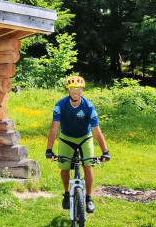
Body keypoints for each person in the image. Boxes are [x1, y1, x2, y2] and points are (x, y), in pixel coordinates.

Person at [45, 75, 110, 213]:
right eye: (73, 89)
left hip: (85, 138)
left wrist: (105, 151)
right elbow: (54, 128)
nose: (76, 92)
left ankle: (88, 198)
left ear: (82, 90)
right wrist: (49, 149)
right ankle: (67, 194)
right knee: (64, 167)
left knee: (88, 165)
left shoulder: (88, 107)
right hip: (66, 138)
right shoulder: (60, 106)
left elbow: (96, 131)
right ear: (68, 90)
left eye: (79, 89)